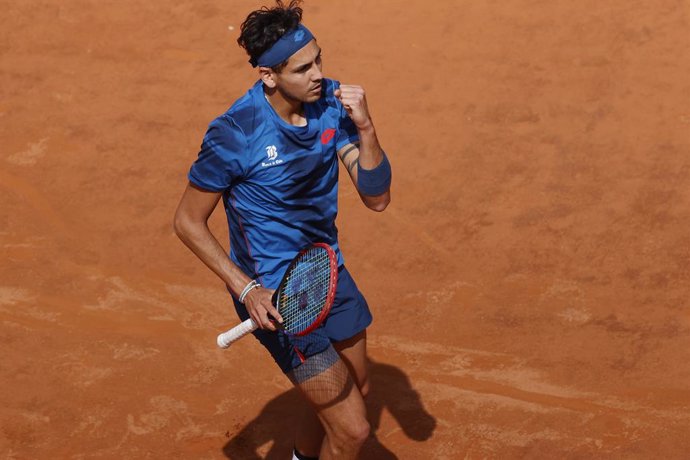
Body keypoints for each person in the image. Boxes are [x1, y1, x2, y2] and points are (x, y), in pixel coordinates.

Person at [173, 1, 392, 458]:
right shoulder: (236, 132)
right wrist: (247, 288)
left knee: (359, 388)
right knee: (352, 430)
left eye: (319, 60)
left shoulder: (331, 106)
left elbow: (377, 199)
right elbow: (188, 221)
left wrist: (366, 128)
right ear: (268, 76)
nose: (318, 74)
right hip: (276, 296)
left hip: (325, 270)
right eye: (302, 68)